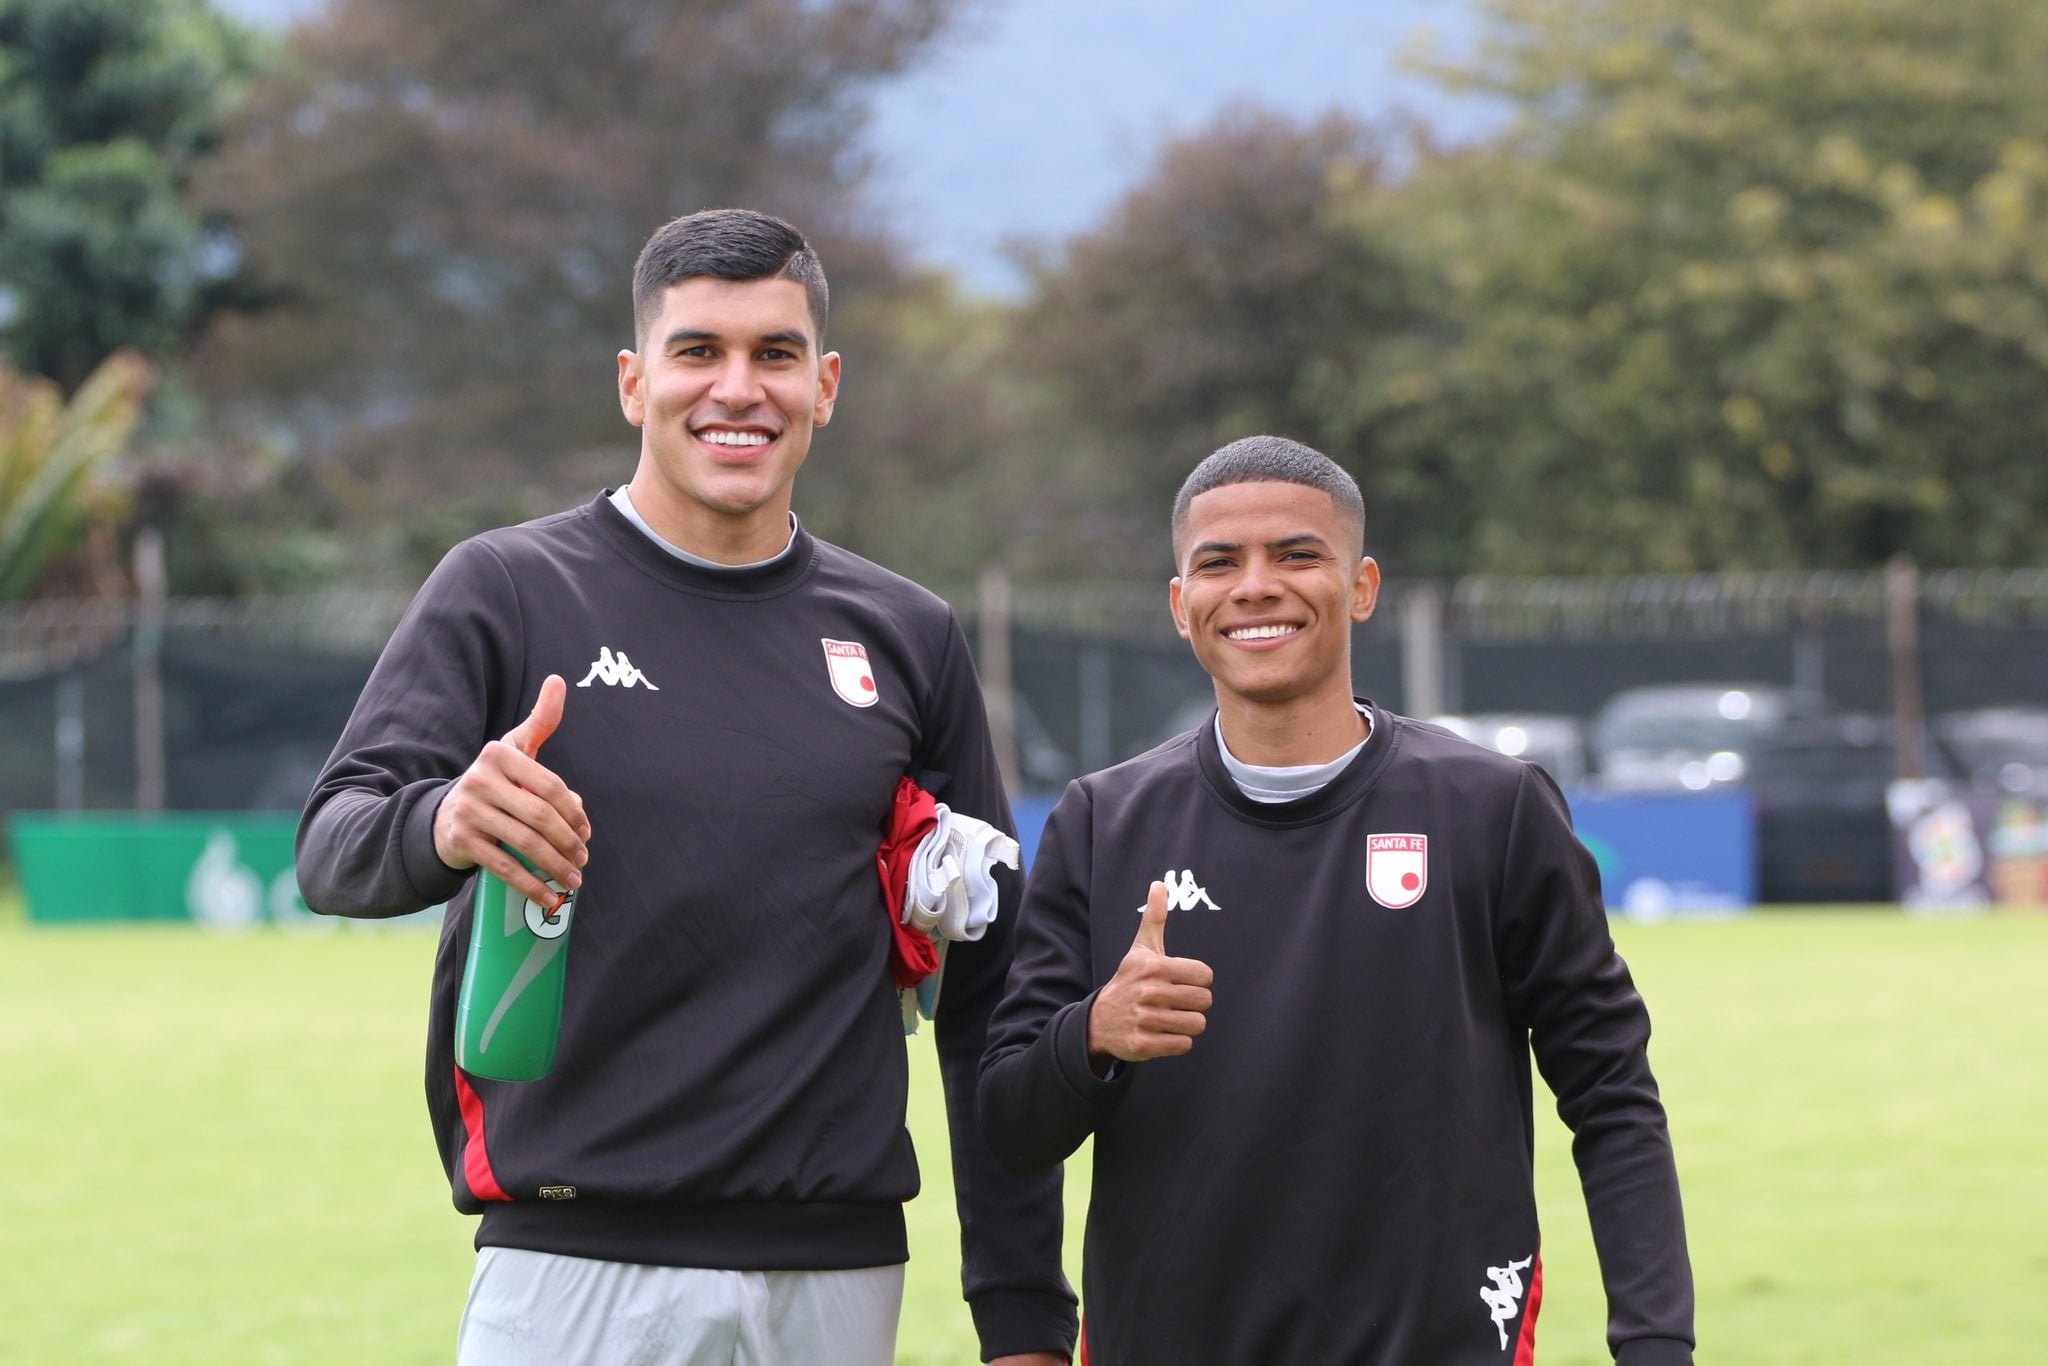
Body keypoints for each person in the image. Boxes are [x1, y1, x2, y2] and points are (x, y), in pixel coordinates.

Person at [297, 208, 1074, 1366]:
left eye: (774, 353)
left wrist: (1018, 1312)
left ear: (826, 383)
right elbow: (333, 841)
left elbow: (990, 990)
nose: (737, 388)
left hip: (838, 1271)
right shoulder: (505, 587)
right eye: (697, 350)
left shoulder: (908, 634)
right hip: (573, 1262)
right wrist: (444, 818)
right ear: (633, 380)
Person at [978, 435, 1694, 1365]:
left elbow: (1613, 1095)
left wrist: (1655, 1344)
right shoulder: (1101, 821)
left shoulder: (1492, 807)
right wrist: (1094, 1035)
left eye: (1297, 555)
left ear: (1361, 587)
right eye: (1219, 564)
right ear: (1180, 606)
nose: (1256, 586)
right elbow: (1008, 1126)